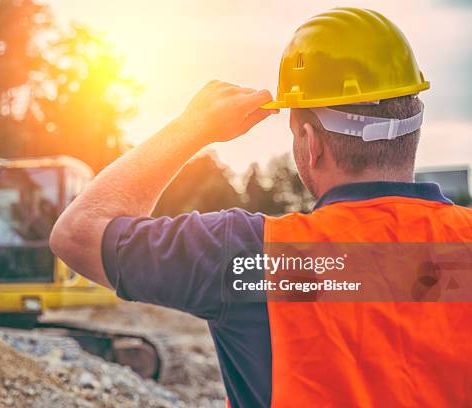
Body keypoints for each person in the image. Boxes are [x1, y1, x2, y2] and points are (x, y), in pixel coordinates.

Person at [50, 7, 472, 407]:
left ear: (310, 143)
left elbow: (78, 233)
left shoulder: (252, 257)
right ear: (414, 128)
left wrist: (192, 129)